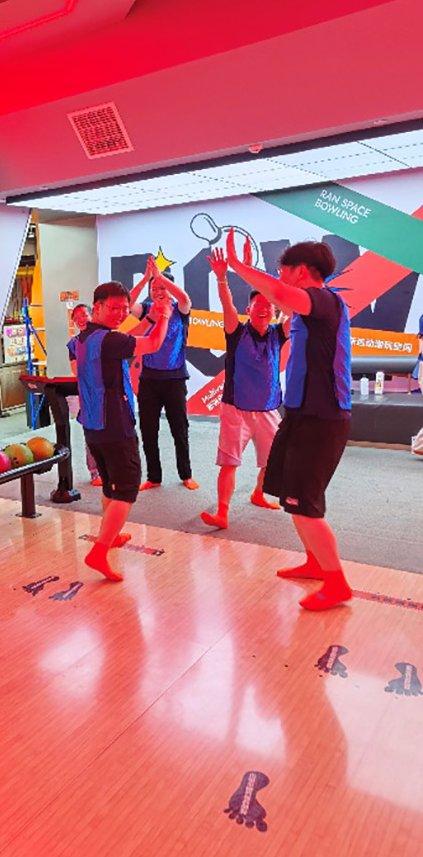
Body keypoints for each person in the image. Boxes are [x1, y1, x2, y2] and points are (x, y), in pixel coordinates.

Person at [225, 229, 353, 611]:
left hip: (322, 418)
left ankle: (337, 584)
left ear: (301, 271)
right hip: (300, 414)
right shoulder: (307, 310)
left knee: (306, 504)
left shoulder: (324, 300)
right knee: (291, 497)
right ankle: (315, 563)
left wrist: (237, 266)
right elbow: (281, 298)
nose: (279, 278)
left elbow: (279, 294)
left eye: (283, 270)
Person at [76, 281, 172, 582]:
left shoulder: (85, 337)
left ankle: (111, 535)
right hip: (115, 425)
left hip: (93, 425)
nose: (119, 314)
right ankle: (99, 551)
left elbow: (127, 338)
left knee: (110, 485)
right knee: (127, 490)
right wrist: (164, 316)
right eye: (114, 308)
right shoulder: (108, 340)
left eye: (124, 309)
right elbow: (153, 344)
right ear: (98, 307)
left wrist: (151, 317)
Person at [200, 244, 287, 530]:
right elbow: (227, 304)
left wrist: (278, 283)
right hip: (235, 409)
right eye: (257, 305)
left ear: (274, 311)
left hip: (268, 409)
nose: (263, 309)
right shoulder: (236, 332)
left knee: (271, 461)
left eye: (268, 305)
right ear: (248, 309)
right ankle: (222, 513)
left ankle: (258, 493)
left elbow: (295, 310)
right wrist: (221, 277)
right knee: (229, 463)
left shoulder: (278, 333)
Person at [129, 256, 198, 491]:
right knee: (148, 430)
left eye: (162, 287)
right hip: (149, 379)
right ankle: (153, 476)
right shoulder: (147, 310)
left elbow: (185, 298)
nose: (158, 292)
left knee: (180, 429)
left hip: (175, 378)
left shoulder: (180, 309)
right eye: (154, 288)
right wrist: (146, 279)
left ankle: (186, 474)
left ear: (170, 288)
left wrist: (159, 277)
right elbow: (128, 304)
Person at [66, 303, 101, 485]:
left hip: (107, 391)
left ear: (92, 316)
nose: (80, 319)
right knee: (91, 431)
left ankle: (114, 470)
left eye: (84, 315)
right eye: (76, 317)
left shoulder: (103, 336)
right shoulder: (74, 344)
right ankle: (95, 472)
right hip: (88, 393)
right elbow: (76, 369)